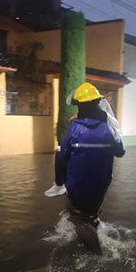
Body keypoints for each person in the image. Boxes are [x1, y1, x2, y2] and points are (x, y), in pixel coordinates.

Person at [44, 82, 125, 254]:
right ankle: (94, 225)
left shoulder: (75, 128)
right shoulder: (108, 128)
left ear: (80, 105)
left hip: (79, 185)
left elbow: (61, 157)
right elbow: (120, 152)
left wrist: (59, 182)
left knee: (77, 218)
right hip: (102, 185)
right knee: (92, 213)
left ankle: (96, 257)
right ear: (97, 104)